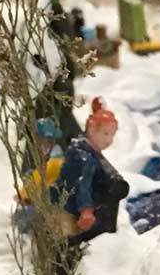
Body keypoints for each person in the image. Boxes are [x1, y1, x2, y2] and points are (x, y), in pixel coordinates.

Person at [52, 99, 129, 249]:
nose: (110, 140)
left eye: (112, 135)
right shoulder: (84, 158)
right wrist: (86, 210)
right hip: (67, 207)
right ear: (92, 131)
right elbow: (82, 183)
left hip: (68, 200)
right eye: (106, 133)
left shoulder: (83, 146)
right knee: (66, 242)